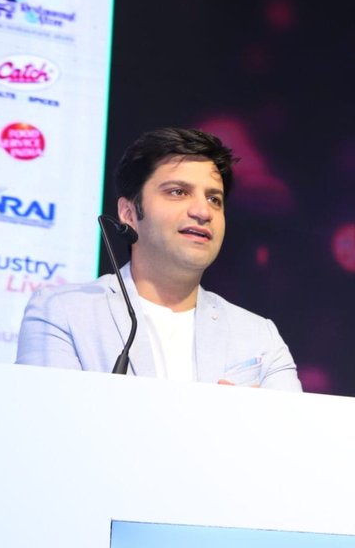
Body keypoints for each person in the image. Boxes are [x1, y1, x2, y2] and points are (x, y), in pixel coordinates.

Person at [15, 127, 300, 389]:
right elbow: (50, 422)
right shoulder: (62, 312)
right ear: (128, 214)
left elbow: (289, 429)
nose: (203, 212)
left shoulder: (260, 337)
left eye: (214, 199)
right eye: (178, 192)